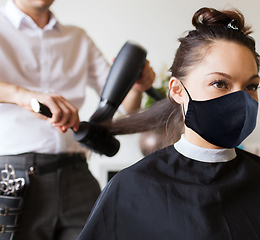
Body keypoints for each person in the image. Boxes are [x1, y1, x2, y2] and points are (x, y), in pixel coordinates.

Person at [78, 7, 260, 240]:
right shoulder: (132, 188)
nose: (241, 100)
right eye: (220, 83)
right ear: (177, 90)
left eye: (250, 86)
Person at [0, 0, 155, 239]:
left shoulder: (78, 37)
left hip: (76, 171)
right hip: (13, 174)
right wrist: (23, 95)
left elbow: (127, 107)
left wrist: (136, 85)